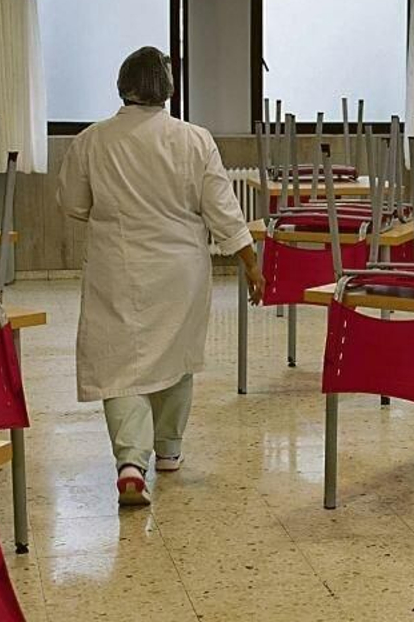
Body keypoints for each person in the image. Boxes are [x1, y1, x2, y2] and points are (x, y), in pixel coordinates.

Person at [55, 46, 264, 505]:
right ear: (168, 89)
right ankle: (169, 450)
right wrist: (250, 262)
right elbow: (223, 211)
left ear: (122, 85)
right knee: (174, 354)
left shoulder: (92, 140)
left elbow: (73, 204)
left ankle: (131, 461)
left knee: (120, 364)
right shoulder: (194, 139)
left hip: (118, 265)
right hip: (180, 270)